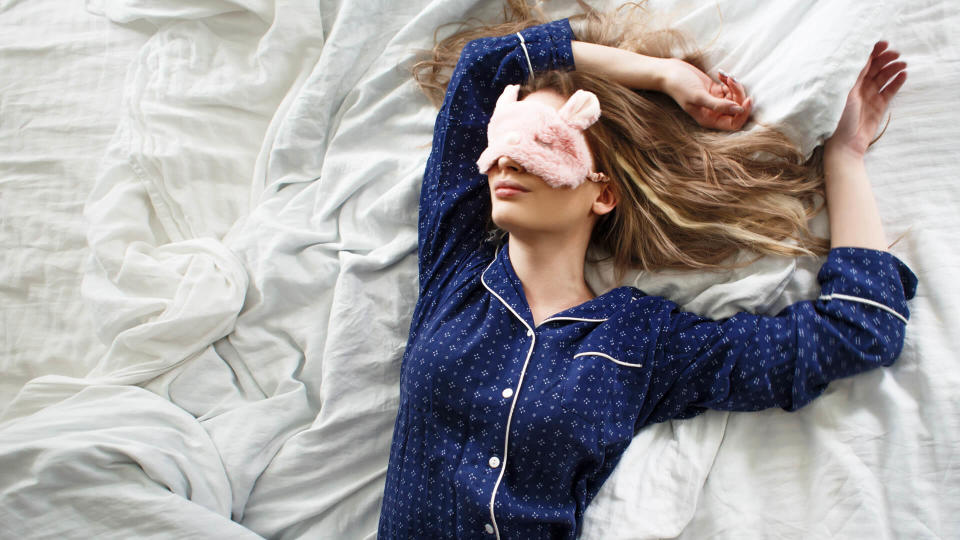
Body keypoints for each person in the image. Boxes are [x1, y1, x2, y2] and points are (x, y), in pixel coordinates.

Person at [377, 4, 917, 539]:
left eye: (544, 140)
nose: (508, 160)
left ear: (603, 192)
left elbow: (860, 329)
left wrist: (845, 156)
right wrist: (665, 74)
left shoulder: (642, 343)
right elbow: (484, 65)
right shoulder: (456, 270)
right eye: (503, 140)